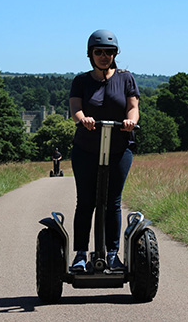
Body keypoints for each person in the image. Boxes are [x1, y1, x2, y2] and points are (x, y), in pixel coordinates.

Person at [69, 29, 140, 271]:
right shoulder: (81, 81)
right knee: (86, 202)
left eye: (109, 52)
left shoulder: (126, 78)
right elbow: (75, 109)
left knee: (113, 202)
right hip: (86, 149)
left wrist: (130, 120)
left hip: (119, 148)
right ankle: (80, 254)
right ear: (90, 54)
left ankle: (112, 254)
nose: (103, 56)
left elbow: (132, 107)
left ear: (115, 54)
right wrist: (83, 118)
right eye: (98, 52)